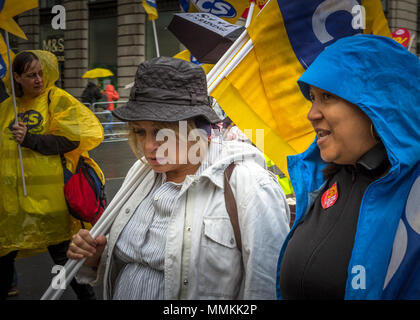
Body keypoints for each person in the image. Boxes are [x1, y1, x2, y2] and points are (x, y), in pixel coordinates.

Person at [67, 56, 290, 300]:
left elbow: (267, 286)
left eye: (162, 133)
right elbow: (124, 262)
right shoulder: (140, 174)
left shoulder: (250, 185)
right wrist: (97, 256)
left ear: (196, 128)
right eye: (140, 131)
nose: (149, 146)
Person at [277, 35, 420, 300]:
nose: (312, 114)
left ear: (378, 105)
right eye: (312, 98)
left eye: (327, 96)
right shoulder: (319, 179)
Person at [0, 50, 104, 300]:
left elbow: (71, 139)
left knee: (65, 257)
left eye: (40, 73)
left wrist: (30, 139)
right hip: (13, 205)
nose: (38, 79)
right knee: (4, 255)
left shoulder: (56, 99)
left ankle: (87, 297)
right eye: (30, 75)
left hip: (51, 202)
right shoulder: (6, 108)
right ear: (16, 77)